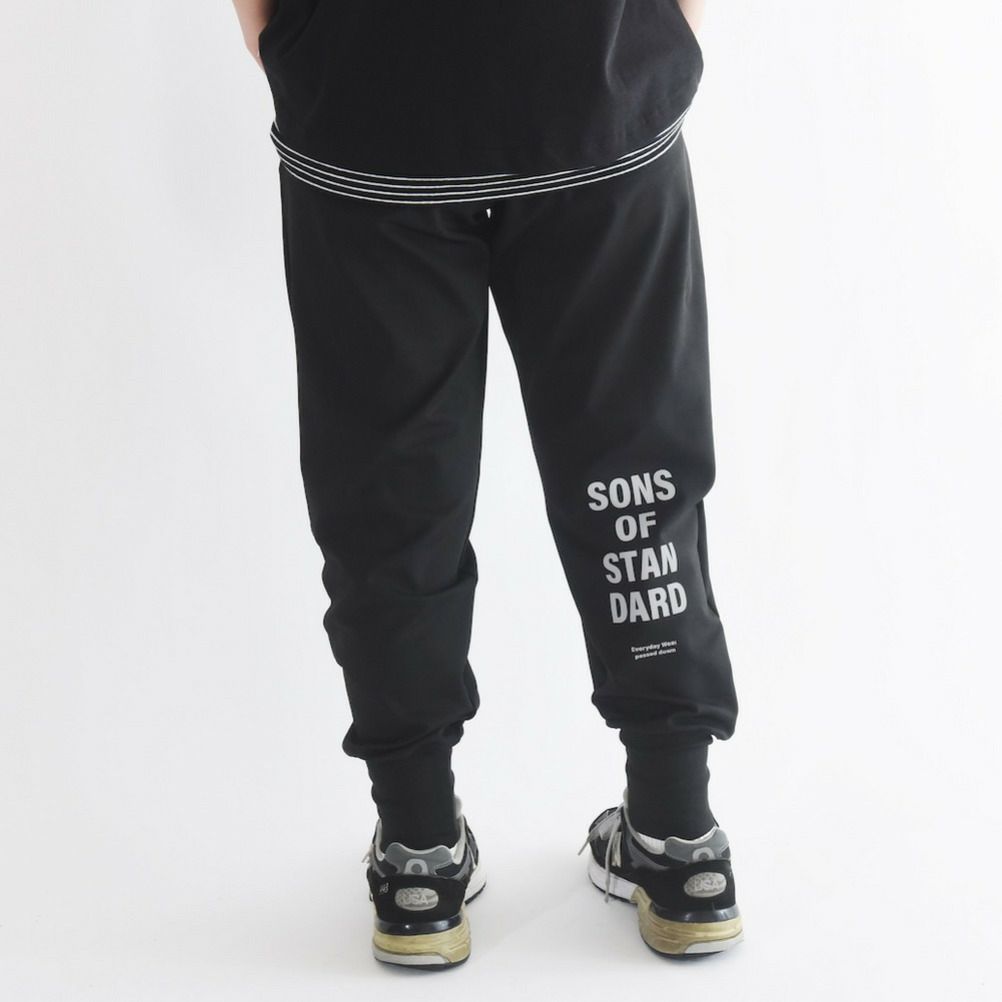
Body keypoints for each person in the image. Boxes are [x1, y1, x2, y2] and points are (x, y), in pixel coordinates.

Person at [232, 0, 742, 967]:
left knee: (388, 492)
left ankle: (418, 854)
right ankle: (680, 839)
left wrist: (289, 41)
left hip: (366, 99)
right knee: (635, 471)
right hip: (596, 81)